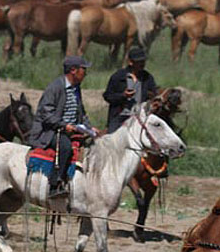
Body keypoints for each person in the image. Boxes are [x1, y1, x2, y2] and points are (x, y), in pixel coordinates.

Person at [27, 56, 100, 197]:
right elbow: (46, 114)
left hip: (72, 129)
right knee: (66, 147)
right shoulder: (55, 87)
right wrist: (64, 125)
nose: (85, 73)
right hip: (51, 131)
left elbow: (81, 112)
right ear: (73, 70)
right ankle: (55, 185)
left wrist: (90, 128)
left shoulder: (76, 88)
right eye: (83, 70)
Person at [103, 46, 158, 133]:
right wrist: (123, 96)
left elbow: (154, 94)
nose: (142, 64)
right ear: (130, 62)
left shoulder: (147, 77)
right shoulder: (118, 77)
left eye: (143, 61)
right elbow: (108, 96)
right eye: (139, 62)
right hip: (121, 117)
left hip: (142, 116)